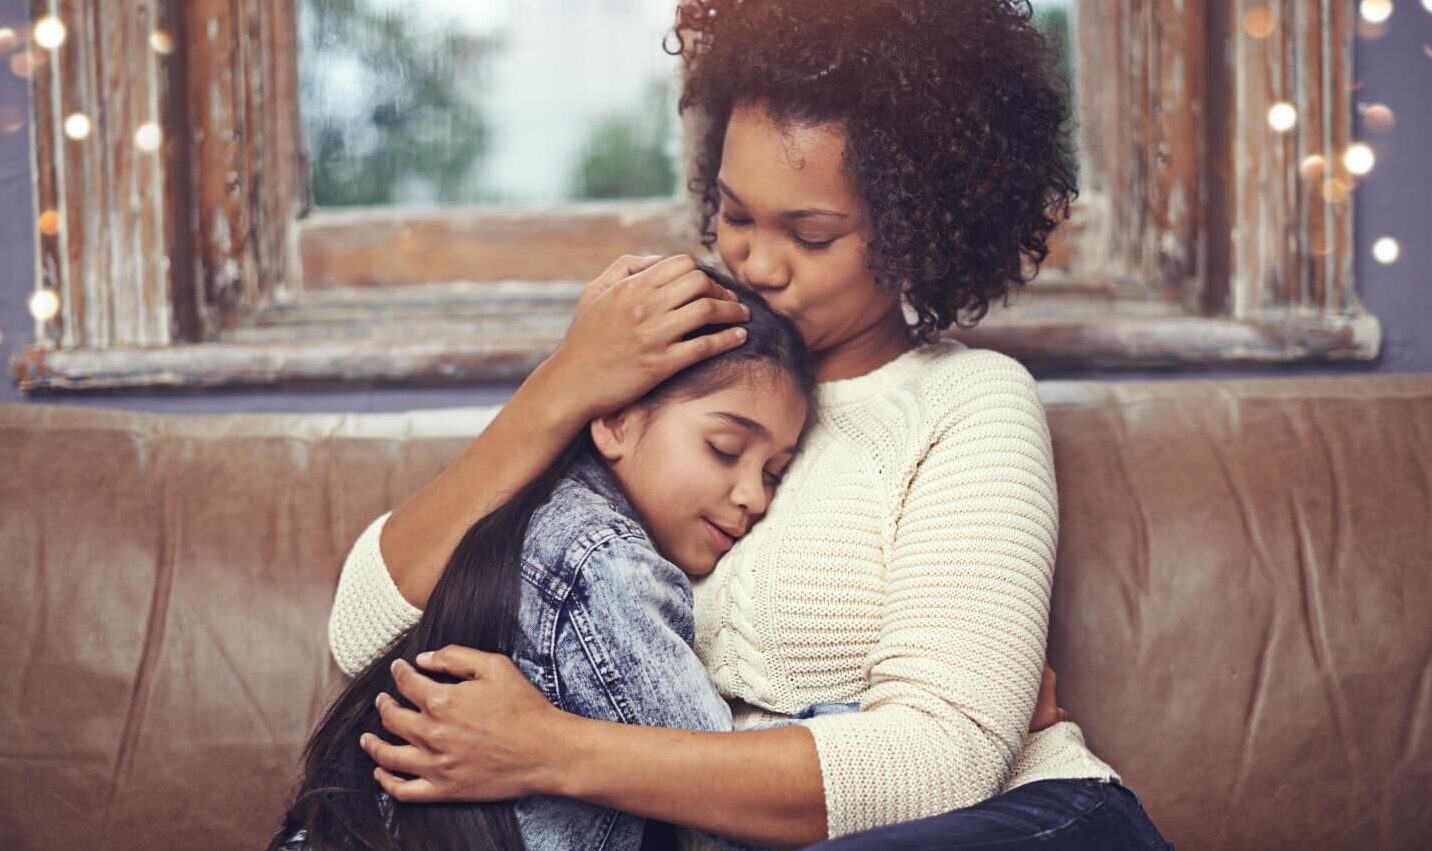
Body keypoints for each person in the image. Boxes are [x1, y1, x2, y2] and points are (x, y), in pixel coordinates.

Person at [325, 1, 1174, 848]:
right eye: (735, 214)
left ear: (918, 229)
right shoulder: (655, 377)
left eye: (810, 234)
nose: (757, 265)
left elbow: (941, 762)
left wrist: (551, 751)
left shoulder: (969, 399)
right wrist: (566, 385)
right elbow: (362, 629)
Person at [273, 279, 819, 851]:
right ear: (614, 422)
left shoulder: (539, 518)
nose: (754, 498)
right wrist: (863, 733)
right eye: (726, 449)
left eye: (774, 473)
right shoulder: (602, 562)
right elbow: (718, 802)